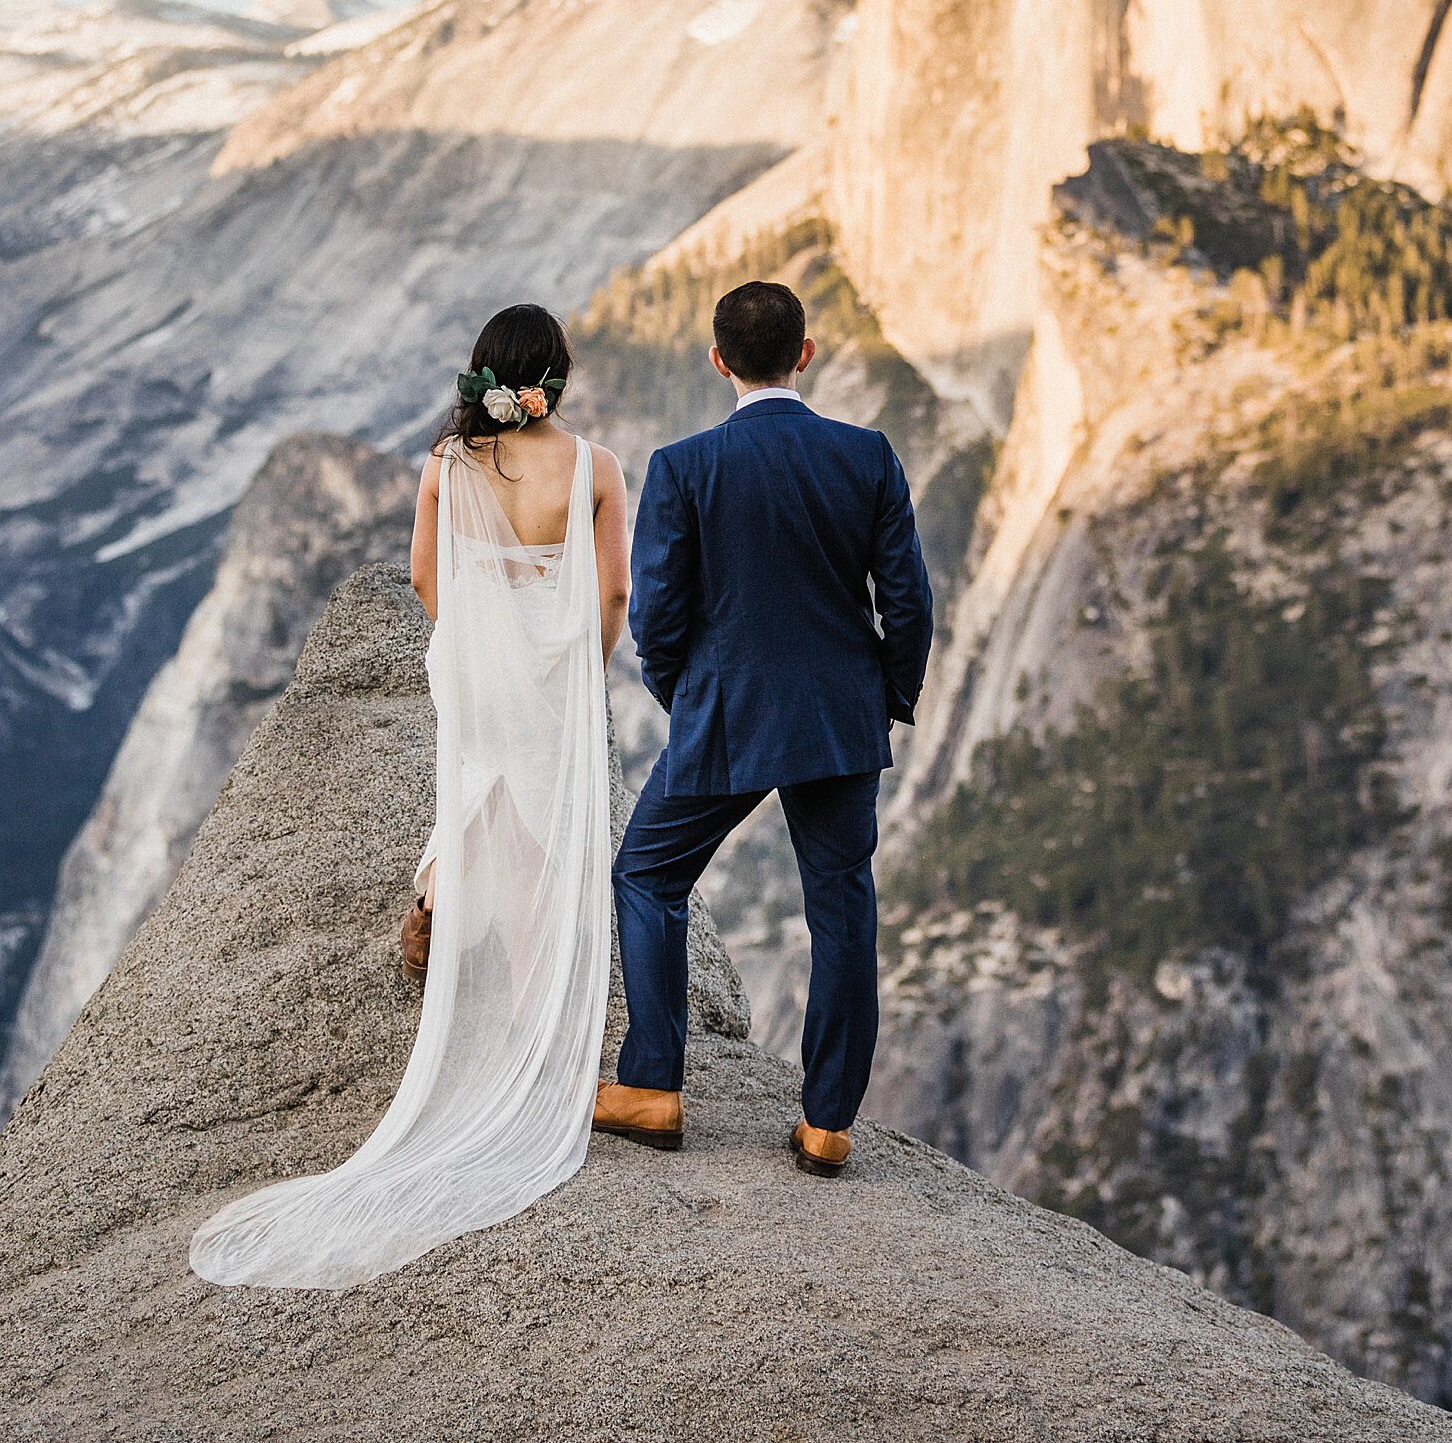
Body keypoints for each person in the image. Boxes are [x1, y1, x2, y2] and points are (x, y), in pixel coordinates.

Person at [189, 304, 630, 1290]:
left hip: (474, 664)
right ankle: (533, 1038)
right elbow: (610, 596)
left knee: (479, 793)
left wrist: (481, 638)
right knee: (544, 830)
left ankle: (435, 901)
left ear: (485, 377)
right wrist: (577, 669)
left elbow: (429, 580)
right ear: (555, 379)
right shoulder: (597, 467)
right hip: (555, 668)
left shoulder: (448, 466)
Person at [596, 279, 933, 1178]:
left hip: (727, 711)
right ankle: (827, 1123)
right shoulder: (866, 455)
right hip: (837, 718)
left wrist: (687, 692)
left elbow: (656, 615)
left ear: (718, 362)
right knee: (841, 905)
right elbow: (907, 599)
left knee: (648, 871)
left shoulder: (684, 466)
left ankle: (655, 1088)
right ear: (806, 354)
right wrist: (885, 697)